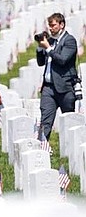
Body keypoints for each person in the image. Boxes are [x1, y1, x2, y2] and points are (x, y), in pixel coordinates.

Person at [36, 12, 78, 140]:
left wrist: (48, 48)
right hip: (48, 88)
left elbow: (63, 60)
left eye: (53, 25)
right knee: (45, 121)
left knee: (69, 121)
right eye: (49, 26)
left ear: (61, 25)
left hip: (65, 87)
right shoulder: (50, 41)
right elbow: (40, 62)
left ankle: (72, 149)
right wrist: (40, 47)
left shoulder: (69, 40)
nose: (51, 28)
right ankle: (42, 148)